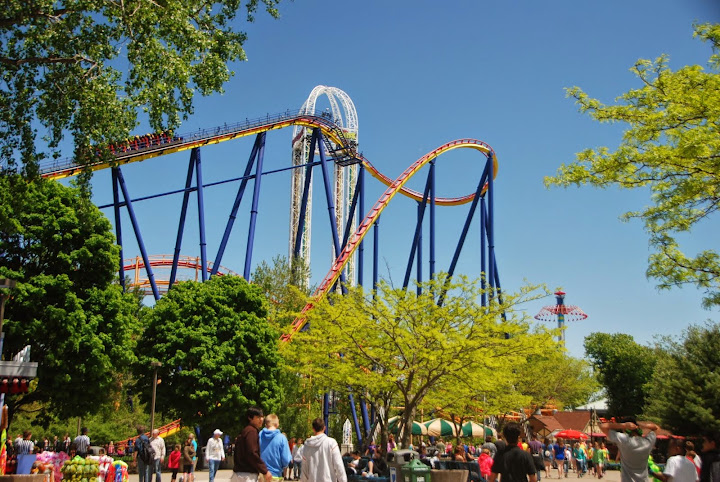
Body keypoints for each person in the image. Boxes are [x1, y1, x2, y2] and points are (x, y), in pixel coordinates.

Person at [601, 417, 659, 482]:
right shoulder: (647, 442)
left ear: (626, 430)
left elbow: (603, 426)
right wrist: (641, 425)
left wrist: (623, 425)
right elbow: (656, 428)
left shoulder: (624, 440)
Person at [299, 418, 347, 482]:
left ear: (313, 429)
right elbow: (338, 465)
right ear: (324, 428)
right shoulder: (331, 443)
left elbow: (304, 468)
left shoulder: (307, 445)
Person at [232, 406, 272, 482]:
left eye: (262, 417)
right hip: (247, 475)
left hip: (238, 474)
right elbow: (252, 453)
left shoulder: (245, 431)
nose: (261, 419)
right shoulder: (251, 432)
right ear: (250, 418)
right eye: (258, 417)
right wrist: (264, 471)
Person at [259, 414, 292, 479]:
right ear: (277, 424)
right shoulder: (282, 438)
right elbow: (286, 459)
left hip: (261, 474)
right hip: (275, 474)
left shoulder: (260, 435)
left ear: (266, 424)